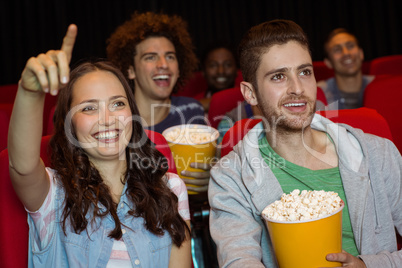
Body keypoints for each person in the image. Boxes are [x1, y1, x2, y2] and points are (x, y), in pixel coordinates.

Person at [208, 19, 402, 267]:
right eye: (278, 76)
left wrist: (369, 265)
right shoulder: (230, 177)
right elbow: (239, 261)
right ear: (250, 93)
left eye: (304, 72)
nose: (298, 88)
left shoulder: (378, 153)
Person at [8, 24, 191, 267]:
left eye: (117, 104)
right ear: (69, 125)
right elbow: (22, 166)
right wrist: (30, 92)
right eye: (89, 108)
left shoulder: (171, 189)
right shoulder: (53, 195)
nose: (107, 119)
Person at [106, 11, 205, 134]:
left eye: (170, 57)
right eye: (150, 57)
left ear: (179, 69)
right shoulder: (115, 121)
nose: (163, 64)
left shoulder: (192, 111)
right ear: (130, 71)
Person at [317, 28, 375, 109]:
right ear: (328, 62)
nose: (346, 53)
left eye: (350, 46)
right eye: (337, 49)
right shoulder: (318, 94)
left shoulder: (380, 86)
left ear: (361, 53)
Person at [199, 43, 239, 112]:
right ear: (203, 71)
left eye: (228, 65)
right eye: (213, 65)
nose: (221, 71)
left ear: (237, 70)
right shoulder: (194, 102)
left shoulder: (250, 98)